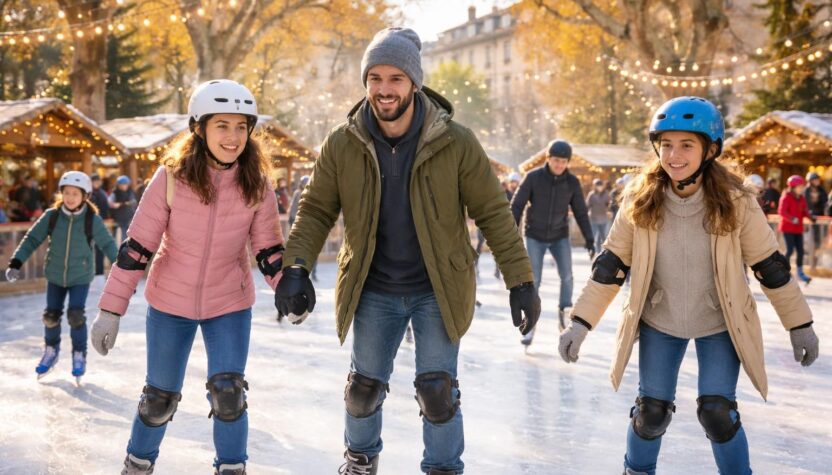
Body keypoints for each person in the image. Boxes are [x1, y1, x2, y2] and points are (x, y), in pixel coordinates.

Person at [275, 27, 539, 475]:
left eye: (395, 78)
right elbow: (316, 210)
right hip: (373, 288)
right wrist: (296, 268)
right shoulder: (343, 143)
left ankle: (442, 467)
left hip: (438, 288)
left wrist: (521, 282)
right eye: (375, 78)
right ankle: (359, 460)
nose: (384, 89)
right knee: (363, 389)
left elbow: (494, 214)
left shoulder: (455, 142)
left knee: (437, 391)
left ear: (414, 82)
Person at [558, 97, 819, 475]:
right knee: (651, 412)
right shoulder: (640, 199)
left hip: (719, 321)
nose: (673, 155)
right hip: (660, 320)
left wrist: (800, 325)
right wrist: (580, 322)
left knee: (718, 413)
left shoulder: (736, 201)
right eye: (666, 145)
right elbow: (611, 266)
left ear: (710, 150)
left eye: (686, 145)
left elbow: (770, 267)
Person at [89, 80, 285, 475]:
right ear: (200, 128)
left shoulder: (257, 184)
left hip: (228, 302)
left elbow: (268, 250)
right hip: (170, 303)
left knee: (228, 394)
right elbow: (137, 248)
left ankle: (231, 467)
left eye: (241, 127)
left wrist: (289, 289)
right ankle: (138, 465)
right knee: (159, 398)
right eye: (222, 125)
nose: (233, 137)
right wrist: (111, 310)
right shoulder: (171, 178)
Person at [4, 171, 118, 381]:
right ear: (61, 194)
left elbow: (108, 244)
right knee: (50, 316)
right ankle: (51, 351)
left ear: (84, 196)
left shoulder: (91, 219)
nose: (70, 197)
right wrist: (16, 262)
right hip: (55, 275)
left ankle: (79, 354)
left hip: (80, 276)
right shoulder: (52, 216)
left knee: (76, 316)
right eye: (67, 193)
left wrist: (122, 271)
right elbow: (31, 239)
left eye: (75, 193)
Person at [510, 139, 594, 343]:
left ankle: (563, 311)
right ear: (548, 159)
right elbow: (517, 205)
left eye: (564, 161)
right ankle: (530, 322)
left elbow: (581, 212)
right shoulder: (533, 177)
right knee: (533, 280)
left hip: (559, 235)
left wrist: (590, 238)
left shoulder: (572, 183)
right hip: (534, 235)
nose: (559, 165)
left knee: (567, 276)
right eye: (556, 160)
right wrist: (510, 234)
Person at [779, 174, 815, 285]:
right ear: (793, 187)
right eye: (799, 187)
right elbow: (781, 211)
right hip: (787, 228)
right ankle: (784, 270)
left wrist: (811, 217)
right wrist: (791, 218)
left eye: (802, 186)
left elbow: (804, 211)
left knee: (800, 251)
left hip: (798, 229)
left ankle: (800, 272)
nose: (802, 189)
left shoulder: (802, 198)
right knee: (790, 250)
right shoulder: (786, 197)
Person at [804, 171, 828, 266]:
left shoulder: (822, 191)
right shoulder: (805, 191)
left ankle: (815, 260)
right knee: (808, 241)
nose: (817, 181)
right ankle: (808, 260)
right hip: (808, 220)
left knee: (819, 240)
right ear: (810, 180)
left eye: (818, 179)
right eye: (815, 179)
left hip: (820, 220)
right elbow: (803, 205)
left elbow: (825, 203)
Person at [89, 173, 111, 275]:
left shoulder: (102, 193)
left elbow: (106, 207)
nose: (96, 183)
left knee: (100, 248)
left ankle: (99, 272)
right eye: (94, 181)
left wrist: (106, 218)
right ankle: (88, 272)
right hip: (88, 224)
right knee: (87, 248)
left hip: (100, 223)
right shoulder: (87, 193)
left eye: (98, 181)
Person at [586, 178, 612, 256]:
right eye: (598, 186)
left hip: (604, 218)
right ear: (595, 186)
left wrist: (609, 210)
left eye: (601, 186)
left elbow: (609, 204)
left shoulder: (606, 194)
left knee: (603, 236)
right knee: (593, 235)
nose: (600, 187)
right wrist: (588, 211)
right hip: (594, 218)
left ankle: (602, 252)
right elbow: (587, 204)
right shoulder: (591, 194)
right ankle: (593, 251)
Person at [109, 175, 138, 241]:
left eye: (126, 184)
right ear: (118, 185)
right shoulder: (115, 193)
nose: (124, 186)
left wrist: (123, 204)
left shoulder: (130, 192)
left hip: (129, 216)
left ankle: (126, 248)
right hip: (118, 217)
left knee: (127, 235)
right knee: (117, 234)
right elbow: (110, 203)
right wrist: (114, 204)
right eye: (123, 184)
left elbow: (133, 202)